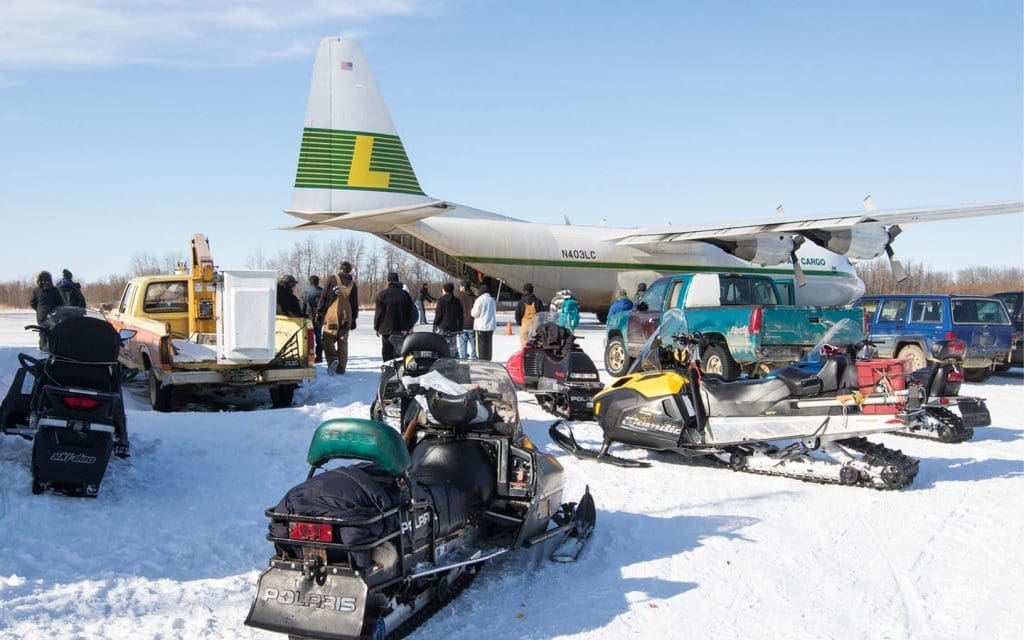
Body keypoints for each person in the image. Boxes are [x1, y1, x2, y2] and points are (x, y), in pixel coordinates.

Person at [317, 261, 359, 374]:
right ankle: (341, 368)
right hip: (347, 317)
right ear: (349, 270)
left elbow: (324, 296)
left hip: (332, 315)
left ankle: (332, 359)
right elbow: (354, 303)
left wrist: (320, 312)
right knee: (343, 341)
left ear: (340, 269)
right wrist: (354, 319)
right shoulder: (352, 284)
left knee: (328, 339)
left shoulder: (332, 279)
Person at [374, 272, 416, 361]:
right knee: (401, 351)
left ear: (388, 281)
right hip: (402, 329)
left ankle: (388, 370)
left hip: (386, 329)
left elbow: (378, 313)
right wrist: (410, 326)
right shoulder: (405, 295)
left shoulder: (382, 294)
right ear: (398, 281)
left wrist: (376, 327)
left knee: (387, 352)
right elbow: (411, 312)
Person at [30, 271, 64, 349]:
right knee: (53, 331)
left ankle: (43, 347)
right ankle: (52, 348)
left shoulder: (36, 290)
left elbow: (32, 302)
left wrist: (38, 309)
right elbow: (60, 302)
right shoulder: (54, 290)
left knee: (42, 332)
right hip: (53, 313)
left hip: (41, 314)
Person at [432, 282, 463, 354]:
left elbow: (439, 314)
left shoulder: (441, 300)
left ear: (445, 290)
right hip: (454, 327)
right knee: (452, 346)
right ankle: (452, 359)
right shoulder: (457, 300)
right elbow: (460, 315)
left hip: (443, 327)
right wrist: (460, 327)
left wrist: (435, 324)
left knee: (442, 345)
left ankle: (443, 359)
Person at [514, 282, 546, 347]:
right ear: (532, 291)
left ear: (524, 291)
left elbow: (517, 314)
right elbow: (542, 314)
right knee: (536, 343)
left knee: (524, 345)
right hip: (535, 325)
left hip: (525, 325)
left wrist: (520, 323)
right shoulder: (537, 301)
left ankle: (525, 356)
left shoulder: (521, 302)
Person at [302, 275, 324, 363]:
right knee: (319, 337)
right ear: (317, 282)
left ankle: (309, 355)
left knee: (308, 337)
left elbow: (302, 305)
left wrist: (302, 315)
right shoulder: (322, 291)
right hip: (319, 317)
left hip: (308, 318)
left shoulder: (306, 292)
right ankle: (319, 357)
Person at [471, 284, 497, 361]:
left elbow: (474, 313)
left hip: (481, 326)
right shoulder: (492, 300)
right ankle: (488, 359)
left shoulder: (480, 300)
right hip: (490, 326)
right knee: (489, 346)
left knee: (481, 347)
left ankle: (482, 360)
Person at [456, 280, 477, 358]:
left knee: (462, 347)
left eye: (460, 286)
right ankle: (475, 359)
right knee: (474, 346)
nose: (460, 288)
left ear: (464, 287)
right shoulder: (474, 297)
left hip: (462, 325)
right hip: (472, 324)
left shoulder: (459, 297)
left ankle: (464, 360)